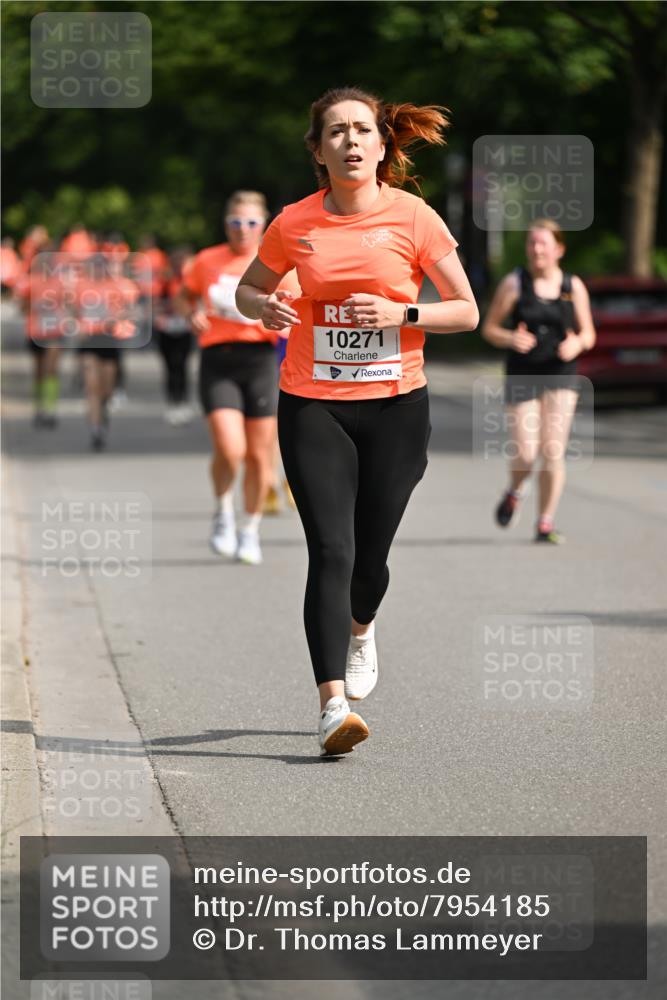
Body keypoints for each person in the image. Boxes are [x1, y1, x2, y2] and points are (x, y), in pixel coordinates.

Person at [236, 87, 478, 755]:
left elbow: (466, 310)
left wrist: (402, 314)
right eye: (335, 131)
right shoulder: (294, 222)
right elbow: (249, 288)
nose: (349, 140)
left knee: (369, 560)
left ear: (380, 145)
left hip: (397, 405)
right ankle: (331, 706)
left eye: (361, 130)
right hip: (313, 402)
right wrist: (264, 306)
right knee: (331, 551)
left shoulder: (414, 217)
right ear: (318, 150)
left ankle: (362, 628)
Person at [179, 191, 299, 566]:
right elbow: (185, 295)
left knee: (259, 456)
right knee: (230, 449)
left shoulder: (276, 263)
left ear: (263, 225)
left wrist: (286, 324)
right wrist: (191, 314)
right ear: (225, 224)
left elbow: (299, 308)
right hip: (218, 360)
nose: (242, 229)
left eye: (250, 222)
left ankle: (250, 529)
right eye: (235, 222)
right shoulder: (206, 260)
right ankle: (223, 512)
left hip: (261, 361)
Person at [481, 220, 596, 543]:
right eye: (532, 242)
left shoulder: (573, 286)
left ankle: (545, 522)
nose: (536, 249)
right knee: (526, 452)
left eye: (543, 243)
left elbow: (589, 333)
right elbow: (489, 328)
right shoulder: (514, 283)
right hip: (523, 373)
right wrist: (509, 338)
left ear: (559, 249)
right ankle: (515, 490)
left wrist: (577, 343)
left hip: (560, 373)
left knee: (553, 450)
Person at [154, 246, 195, 424]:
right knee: (170, 366)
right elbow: (157, 302)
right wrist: (162, 313)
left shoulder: (189, 280)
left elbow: (195, 301)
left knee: (182, 365)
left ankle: (183, 401)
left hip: (184, 328)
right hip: (167, 328)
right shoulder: (165, 280)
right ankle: (172, 402)